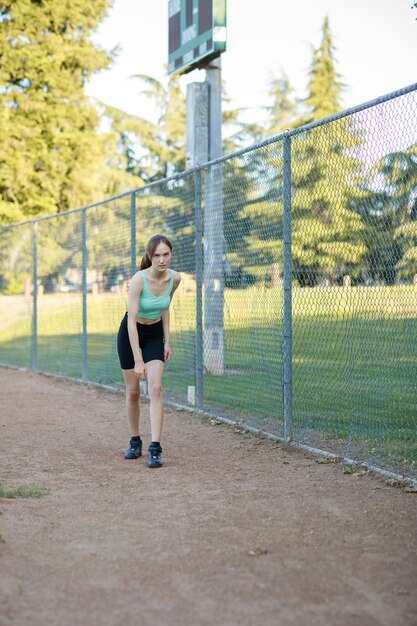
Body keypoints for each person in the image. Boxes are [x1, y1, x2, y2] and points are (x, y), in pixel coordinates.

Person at [117, 234, 181, 468]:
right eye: (157, 255)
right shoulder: (138, 280)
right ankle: (135, 441)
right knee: (133, 391)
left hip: (154, 334)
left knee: (155, 388)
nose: (162, 260)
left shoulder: (175, 279)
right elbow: (131, 321)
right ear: (149, 256)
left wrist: (166, 341)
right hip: (130, 334)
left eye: (166, 254)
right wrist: (138, 359)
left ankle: (155, 448)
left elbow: (165, 307)